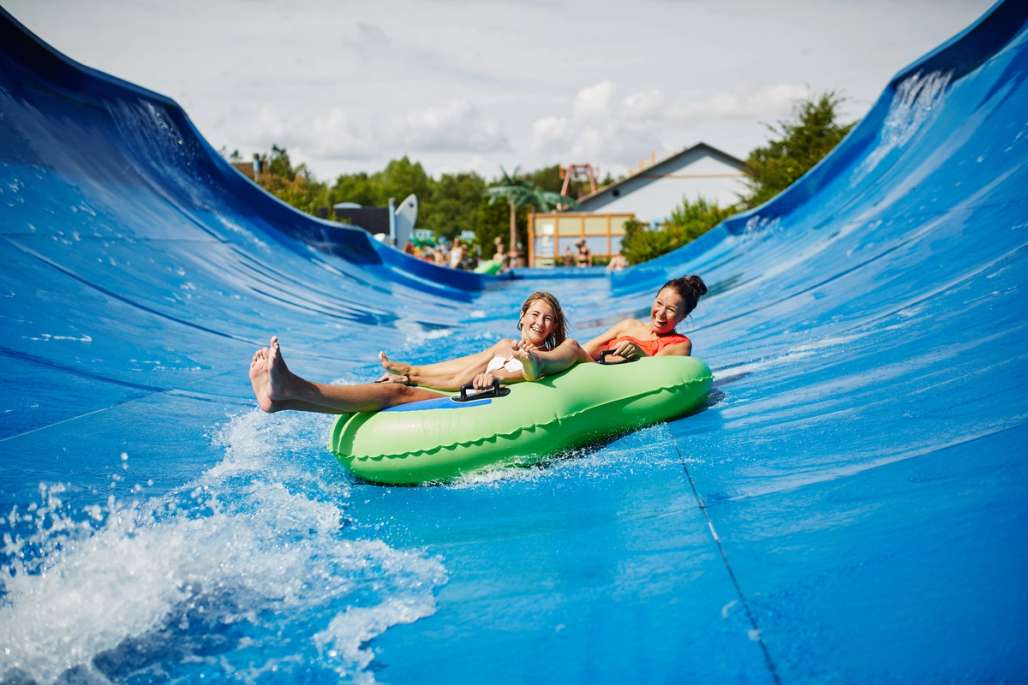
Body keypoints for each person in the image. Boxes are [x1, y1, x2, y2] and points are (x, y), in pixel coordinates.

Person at [249, 292, 590, 414]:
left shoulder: (559, 351)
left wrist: (505, 372)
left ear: (555, 325)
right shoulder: (504, 346)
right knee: (399, 384)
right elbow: (457, 373)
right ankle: (280, 399)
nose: (540, 322)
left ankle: (291, 387)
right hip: (465, 394)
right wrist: (411, 371)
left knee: (393, 393)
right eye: (534, 314)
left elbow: (536, 370)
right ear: (521, 318)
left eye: (548, 318)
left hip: (491, 405)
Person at [582, 275, 708, 363]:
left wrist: (641, 355)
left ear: (683, 316)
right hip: (598, 372)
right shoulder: (628, 325)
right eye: (659, 303)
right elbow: (586, 350)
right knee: (571, 347)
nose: (661, 313)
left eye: (670, 309)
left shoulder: (680, 344)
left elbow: (661, 370)